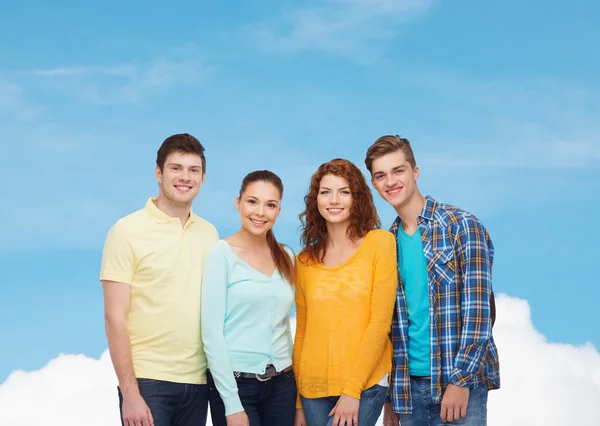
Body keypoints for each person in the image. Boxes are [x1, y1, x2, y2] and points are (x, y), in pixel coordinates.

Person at [365, 135, 500, 426]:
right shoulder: (384, 244)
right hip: (407, 392)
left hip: (459, 384)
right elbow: (387, 325)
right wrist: (390, 398)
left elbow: (479, 312)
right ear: (374, 184)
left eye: (398, 171)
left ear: (415, 171)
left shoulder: (462, 225)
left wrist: (461, 381)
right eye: (381, 176)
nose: (390, 182)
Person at [100, 133, 219, 426]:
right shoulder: (126, 231)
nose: (185, 177)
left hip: (198, 382)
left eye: (193, 170)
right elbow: (114, 317)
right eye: (175, 168)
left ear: (203, 178)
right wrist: (130, 392)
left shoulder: (210, 234)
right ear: (158, 172)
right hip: (147, 382)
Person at [293, 158, 398, 426]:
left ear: (357, 198)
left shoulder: (380, 243)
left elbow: (380, 323)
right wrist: (298, 403)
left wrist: (353, 390)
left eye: (344, 192)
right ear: (315, 199)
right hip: (311, 390)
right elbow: (303, 332)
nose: (333, 200)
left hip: (364, 385)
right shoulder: (304, 260)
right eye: (325, 192)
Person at [202, 170, 297, 426]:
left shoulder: (287, 256)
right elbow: (211, 334)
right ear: (238, 203)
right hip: (235, 385)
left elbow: (284, 325)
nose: (260, 212)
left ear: (279, 210)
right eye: (252, 201)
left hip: (283, 384)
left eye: (270, 205)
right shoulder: (220, 254)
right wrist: (231, 404)